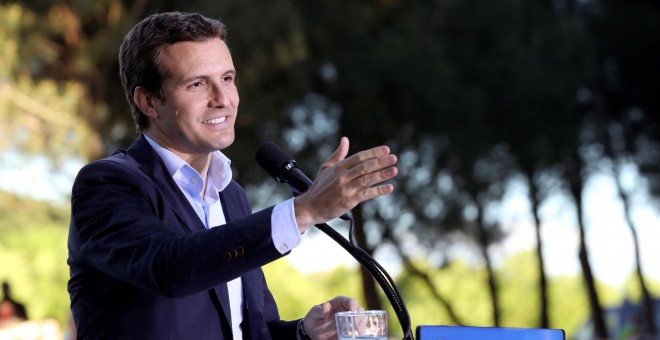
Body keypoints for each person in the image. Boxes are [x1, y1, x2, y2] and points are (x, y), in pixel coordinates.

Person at [67, 11, 398, 340]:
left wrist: (305, 332)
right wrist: (305, 210)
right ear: (149, 101)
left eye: (227, 78)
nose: (223, 99)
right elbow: (169, 268)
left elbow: (249, 328)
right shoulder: (106, 184)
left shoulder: (231, 195)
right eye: (198, 84)